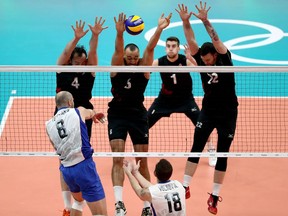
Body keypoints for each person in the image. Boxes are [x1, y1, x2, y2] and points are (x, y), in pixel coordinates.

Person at [176, 2, 238, 215]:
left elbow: (216, 39)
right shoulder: (202, 60)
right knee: (197, 146)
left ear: (215, 56)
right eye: (203, 60)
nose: (206, 63)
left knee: (223, 153)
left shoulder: (224, 58)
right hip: (209, 111)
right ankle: (184, 186)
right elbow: (191, 40)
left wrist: (204, 20)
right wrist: (185, 21)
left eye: (208, 60)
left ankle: (214, 196)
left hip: (228, 112)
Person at [108, 12, 172, 216]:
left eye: (136, 58)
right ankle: (119, 203)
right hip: (117, 115)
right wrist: (119, 34)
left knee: (142, 160)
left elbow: (150, 48)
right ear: (124, 58)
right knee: (117, 159)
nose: (133, 60)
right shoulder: (116, 68)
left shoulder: (144, 68)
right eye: (130, 58)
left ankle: (147, 206)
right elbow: (118, 49)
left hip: (137, 116)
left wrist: (160, 28)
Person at [55, 17, 108, 216]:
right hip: (62, 116)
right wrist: (76, 38)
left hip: (83, 117)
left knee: (80, 155)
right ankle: (67, 205)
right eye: (77, 62)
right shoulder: (62, 69)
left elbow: (94, 53)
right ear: (71, 61)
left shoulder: (89, 71)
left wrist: (95, 36)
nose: (80, 64)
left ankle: (78, 200)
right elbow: (65, 53)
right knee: (63, 159)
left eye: (83, 61)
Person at [147, 36, 217, 167]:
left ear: (178, 48)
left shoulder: (185, 60)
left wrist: (192, 59)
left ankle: (211, 149)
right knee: (144, 123)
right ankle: (139, 148)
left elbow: (202, 70)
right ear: (165, 48)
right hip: (165, 100)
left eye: (174, 46)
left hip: (185, 100)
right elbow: (144, 73)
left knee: (203, 126)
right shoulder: (159, 62)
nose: (171, 48)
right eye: (168, 46)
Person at [46, 91, 108, 216]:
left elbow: (57, 149)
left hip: (67, 172)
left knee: (79, 203)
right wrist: (94, 114)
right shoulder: (78, 111)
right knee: (100, 214)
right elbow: (90, 112)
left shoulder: (49, 125)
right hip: (84, 168)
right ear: (70, 102)